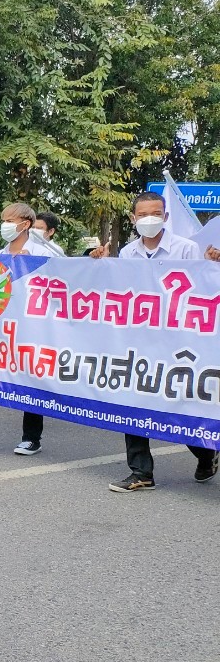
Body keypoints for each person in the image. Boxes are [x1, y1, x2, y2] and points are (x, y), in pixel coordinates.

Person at [91, 192, 216, 492]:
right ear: (133, 219)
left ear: (166, 217)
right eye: (143, 214)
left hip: (178, 342)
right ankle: (141, 472)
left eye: (156, 213)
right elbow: (119, 291)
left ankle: (206, 453)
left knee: (179, 405)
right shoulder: (127, 253)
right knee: (133, 401)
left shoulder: (186, 249)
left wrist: (214, 265)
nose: (150, 219)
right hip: (139, 340)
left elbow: (203, 289)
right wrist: (102, 265)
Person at [0, 202, 56, 456]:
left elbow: (62, 281)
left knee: (30, 377)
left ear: (26, 224)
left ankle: (31, 438)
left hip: (31, 328)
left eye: (10, 221)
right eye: (4, 220)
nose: (5, 225)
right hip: (1, 327)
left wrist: (31, 263)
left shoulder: (43, 253)